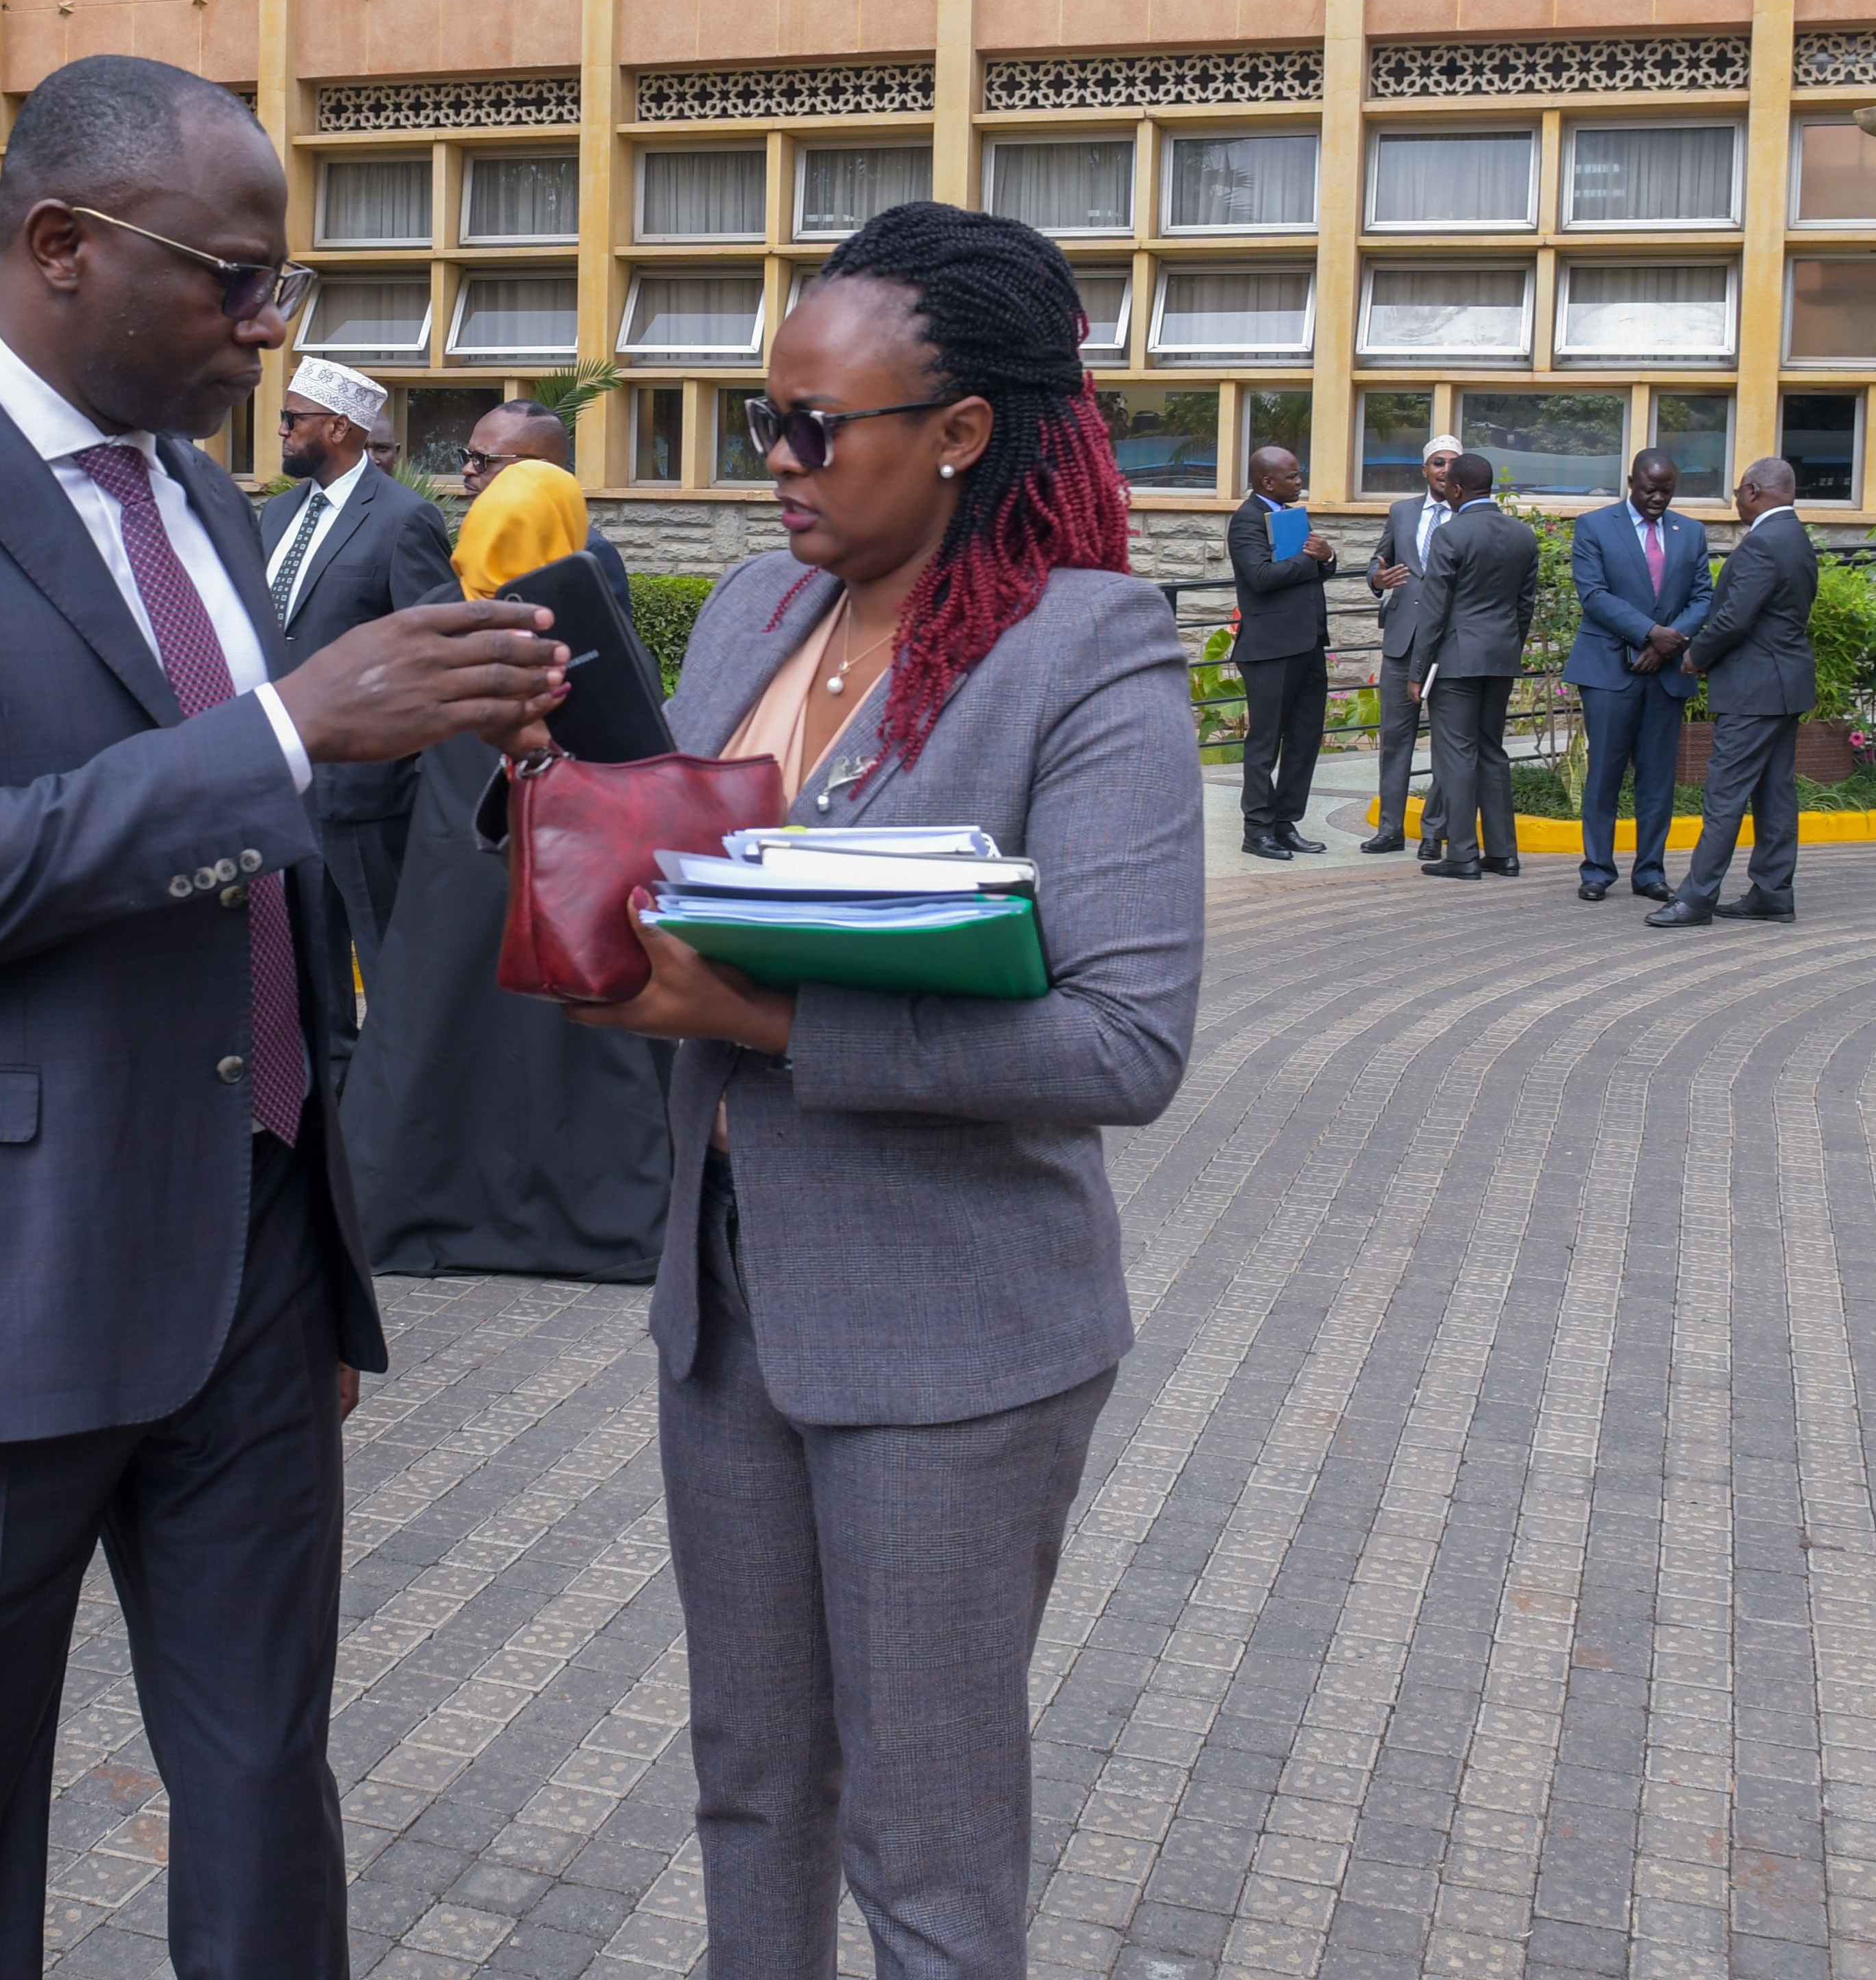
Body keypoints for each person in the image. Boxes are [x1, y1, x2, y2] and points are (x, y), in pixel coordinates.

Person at [0, 53, 568, 1980]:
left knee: (268, 1792)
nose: (271, 331)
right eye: (231, 280)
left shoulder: (194, 483)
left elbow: (261, 863)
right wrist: (285, 731)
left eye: (286, 290)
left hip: (252, 1265)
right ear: (60, 246)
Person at [547, 201, 1201, 1979]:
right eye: (765, 419)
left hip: (950, 1339)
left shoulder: (1089, 648)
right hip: (732, 1300)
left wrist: (768, 1030)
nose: (776, 464)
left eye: (813, 431)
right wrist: (566, 840)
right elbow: (689, 874)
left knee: (928, 1848)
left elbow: (1130, 1043)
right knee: (751, 1785)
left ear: (962, 434)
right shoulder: (760, 605)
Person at [344, 437, 671, 1280]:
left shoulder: (444, 635)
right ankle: (590, 1225)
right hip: (574, 893)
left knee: (437, 1035)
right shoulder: (590, 634)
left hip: (451, 885)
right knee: (574, 1052)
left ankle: (425, 1215)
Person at [258, 354, 456, 1087]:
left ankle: (411, 1110)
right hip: (281, 784)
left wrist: (409, 774)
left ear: (337, 427)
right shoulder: (275, 514)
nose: (279, 431)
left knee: (388, 963)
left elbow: (433, 652)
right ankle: (330, 1107)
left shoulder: (405, 520)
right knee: (306, 969)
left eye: (292, 419)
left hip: (370, 795)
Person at [1648, 457, 1817, 930]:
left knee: (1725, 795)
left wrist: (1695, 655)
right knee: (1775, 794)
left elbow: (1735, 618)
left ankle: (1697, 897)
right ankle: (1773, 892)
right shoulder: (1797, 538)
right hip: (1785, 686)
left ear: (1755, 491)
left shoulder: (1763, 543)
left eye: (1740, 493)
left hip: (1753, 689)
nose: (1737, 503)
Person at [1565, 447, 1710, 905]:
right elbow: (1594, 595)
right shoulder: (1594, 526)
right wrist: (1649, 633)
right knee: (1605, 774)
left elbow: (1704, 597)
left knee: (1657, 778)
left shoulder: (1691, 532)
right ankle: (1597, 870)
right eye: (1651, 489)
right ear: (1632, 482)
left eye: (1668, 490)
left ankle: (1650, 872)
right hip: (1609, 671)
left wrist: (1669, 641)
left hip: (1665, 674)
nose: (1659, 499)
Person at [1411, 451, 1538, 881]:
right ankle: (1503, 853)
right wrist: (1508, 647)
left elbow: (1434, 610)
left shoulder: (1450, 535)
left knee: (1457, 756)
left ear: (1458, 489)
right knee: (1492, 751)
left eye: (1449, 484)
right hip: (1501, 657)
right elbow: (1525, 606)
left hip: (1456, 661)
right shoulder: (1523, 535)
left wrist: (1417, 670)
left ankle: (1463, 854)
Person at [1224, 443, 1333, 860]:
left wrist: (1327, 556)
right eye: (1292, 476)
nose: (1300, 480)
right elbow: (1261, 576)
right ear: (1267, 481)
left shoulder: (1291, 517)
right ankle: (1257, 829)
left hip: (1308, 644)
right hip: (1269, 650)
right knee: (1265, 742)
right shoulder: (1247, 521)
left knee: (1305, 738)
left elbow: (1317, 565)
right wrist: (1312, 560)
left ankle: (1286, 823)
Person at [1360, 433, 1462, 852]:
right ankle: (1390, 829)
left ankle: (1434, 832)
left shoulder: (1468, 516)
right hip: (1402, 642)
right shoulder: (1402, 513)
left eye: (1453, 464)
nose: (1445, 471)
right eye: (1438, 463)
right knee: (1395, 739)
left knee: (1446, 742)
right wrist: (1376, 580)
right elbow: (1377, 562)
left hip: (1448, 647)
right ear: (1425, 470)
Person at [462, 395, 631, 619]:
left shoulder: (588, 552)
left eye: (483, 459)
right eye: (467, 456)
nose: (467, 469)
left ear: (539, 469)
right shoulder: (471, 542)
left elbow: (607, 647)